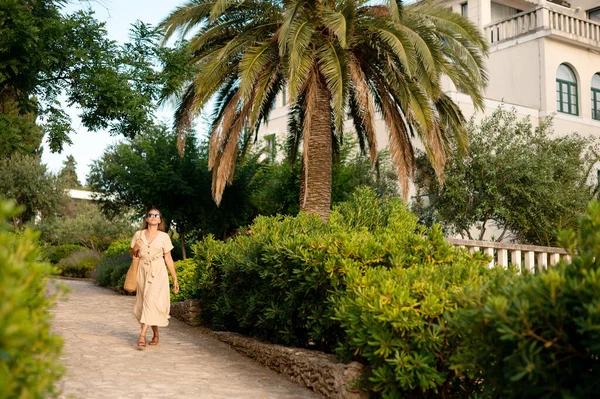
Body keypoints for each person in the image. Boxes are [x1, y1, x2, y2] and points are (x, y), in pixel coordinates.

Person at [129, 208, 179, 348]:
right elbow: (133, 254)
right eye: (151, 215)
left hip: (158, 271)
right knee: (145, 303)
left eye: (157, 215)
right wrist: (136, 247)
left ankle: (142, 336)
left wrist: (174, 278)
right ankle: (156, 334)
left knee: (151, 301)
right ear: (147, 219)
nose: (154, 217)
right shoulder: (138, 234)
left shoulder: (164, 237)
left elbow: (168, 257)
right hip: (142, 270)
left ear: (160, 220)